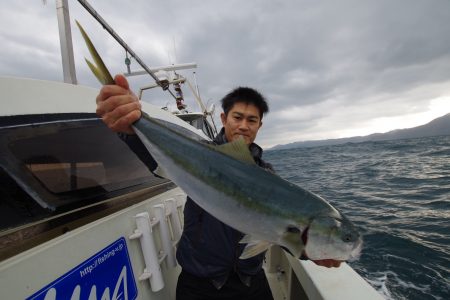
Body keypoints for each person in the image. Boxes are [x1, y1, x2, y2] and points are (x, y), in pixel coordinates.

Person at [96, 74, 341, 300]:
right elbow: (158, 156)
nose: (244, 125)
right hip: (200, 284)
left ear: (259, 126)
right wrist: (130, 128)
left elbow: (280, 229)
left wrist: (311, 251)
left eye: (252, 120)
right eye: (237, 117)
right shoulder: (200, 155)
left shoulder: (267, 175)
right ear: (224, 119)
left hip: (250, 281)